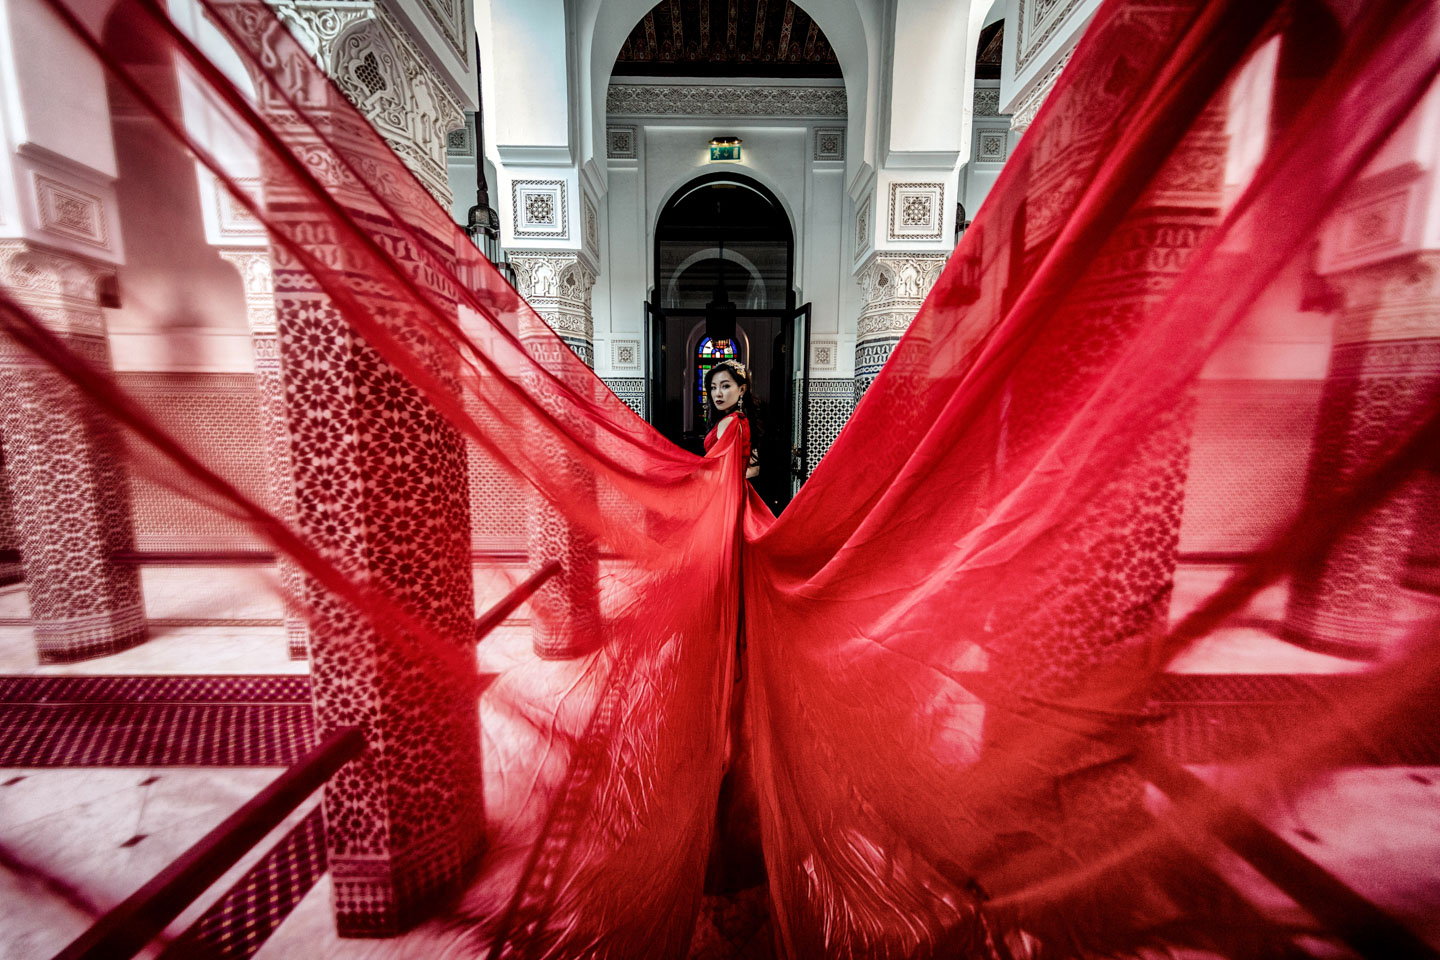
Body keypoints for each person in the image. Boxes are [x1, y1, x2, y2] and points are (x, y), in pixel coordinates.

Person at [703, 359, 761, 480]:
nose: (718, 393)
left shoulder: (730, 422)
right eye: (713, 387)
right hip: (736, 491)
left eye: (725, 386)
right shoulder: (743, 420)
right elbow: (754, 469)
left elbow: (723, 472)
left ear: (742, 390)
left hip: (724, 494)